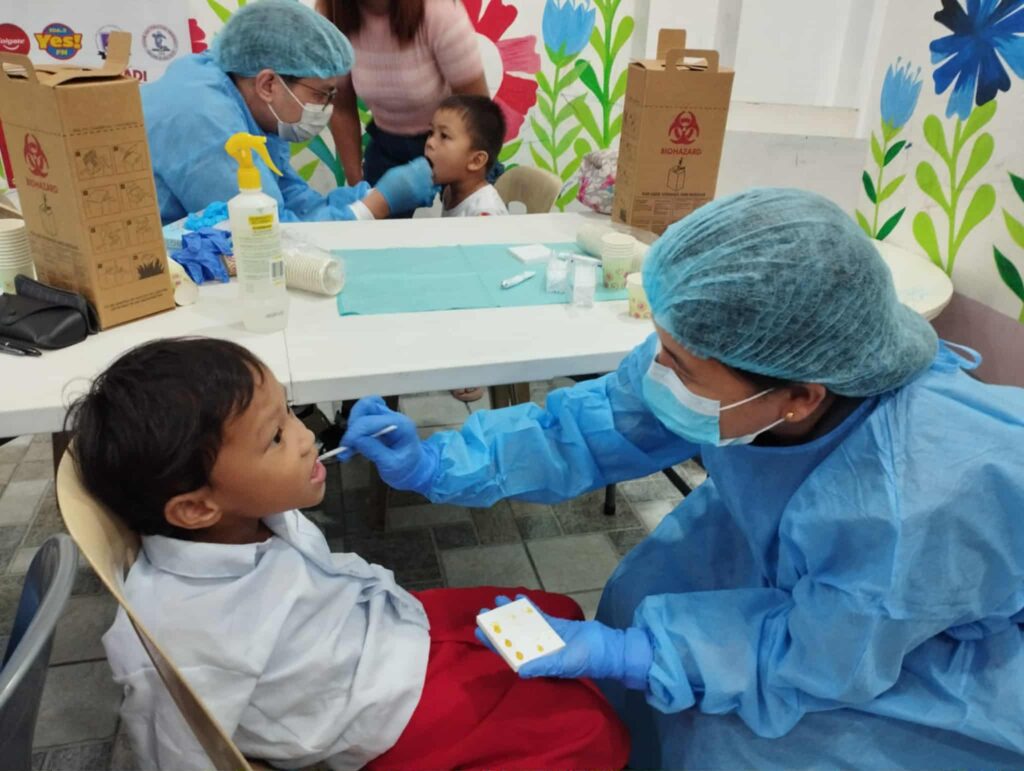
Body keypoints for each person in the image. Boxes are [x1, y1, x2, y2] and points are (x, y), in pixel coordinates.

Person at [338, 187, 1024, 769]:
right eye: (663, 346)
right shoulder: (736, 361)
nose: (656, 370)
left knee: (733, 739)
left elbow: (822, 656)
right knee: (642, 595)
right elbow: (600, 421)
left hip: (921, 627)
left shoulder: (909, 507)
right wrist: (441, 461)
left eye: (679, 365)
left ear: (799, 398)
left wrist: (638, 654)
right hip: (812, 555)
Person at [67, 338, 629, 771]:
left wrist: (423, 464)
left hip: (379, 633)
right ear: (195, 508)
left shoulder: (247, 516)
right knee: (589, 732)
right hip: (382, 716)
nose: (306, 438)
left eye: (290, 413)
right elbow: (179, 747)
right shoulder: (183, 633)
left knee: (554, 611)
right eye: (276, 437)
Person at [143, 0, 438, 225]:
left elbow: (290, 198)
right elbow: (268, 236)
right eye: (321, 94)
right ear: (268, 84)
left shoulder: (250, 101)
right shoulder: (205, 120)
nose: (326, 108)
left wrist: (366, 195)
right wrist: (377, 205)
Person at [317, 0, 491, 216]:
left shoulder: (438, 11)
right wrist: (357, 185)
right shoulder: (331, 15)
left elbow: (478, 110)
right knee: (373, 229)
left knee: (475, 220)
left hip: (452, 140)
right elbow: (341, 108)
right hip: (386, 143)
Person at [428, 94, 509, 218]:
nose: (429, 142)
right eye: (431, 132)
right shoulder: (449, 191)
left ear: (476, 161)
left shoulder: (484, 213)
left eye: (444, 136)